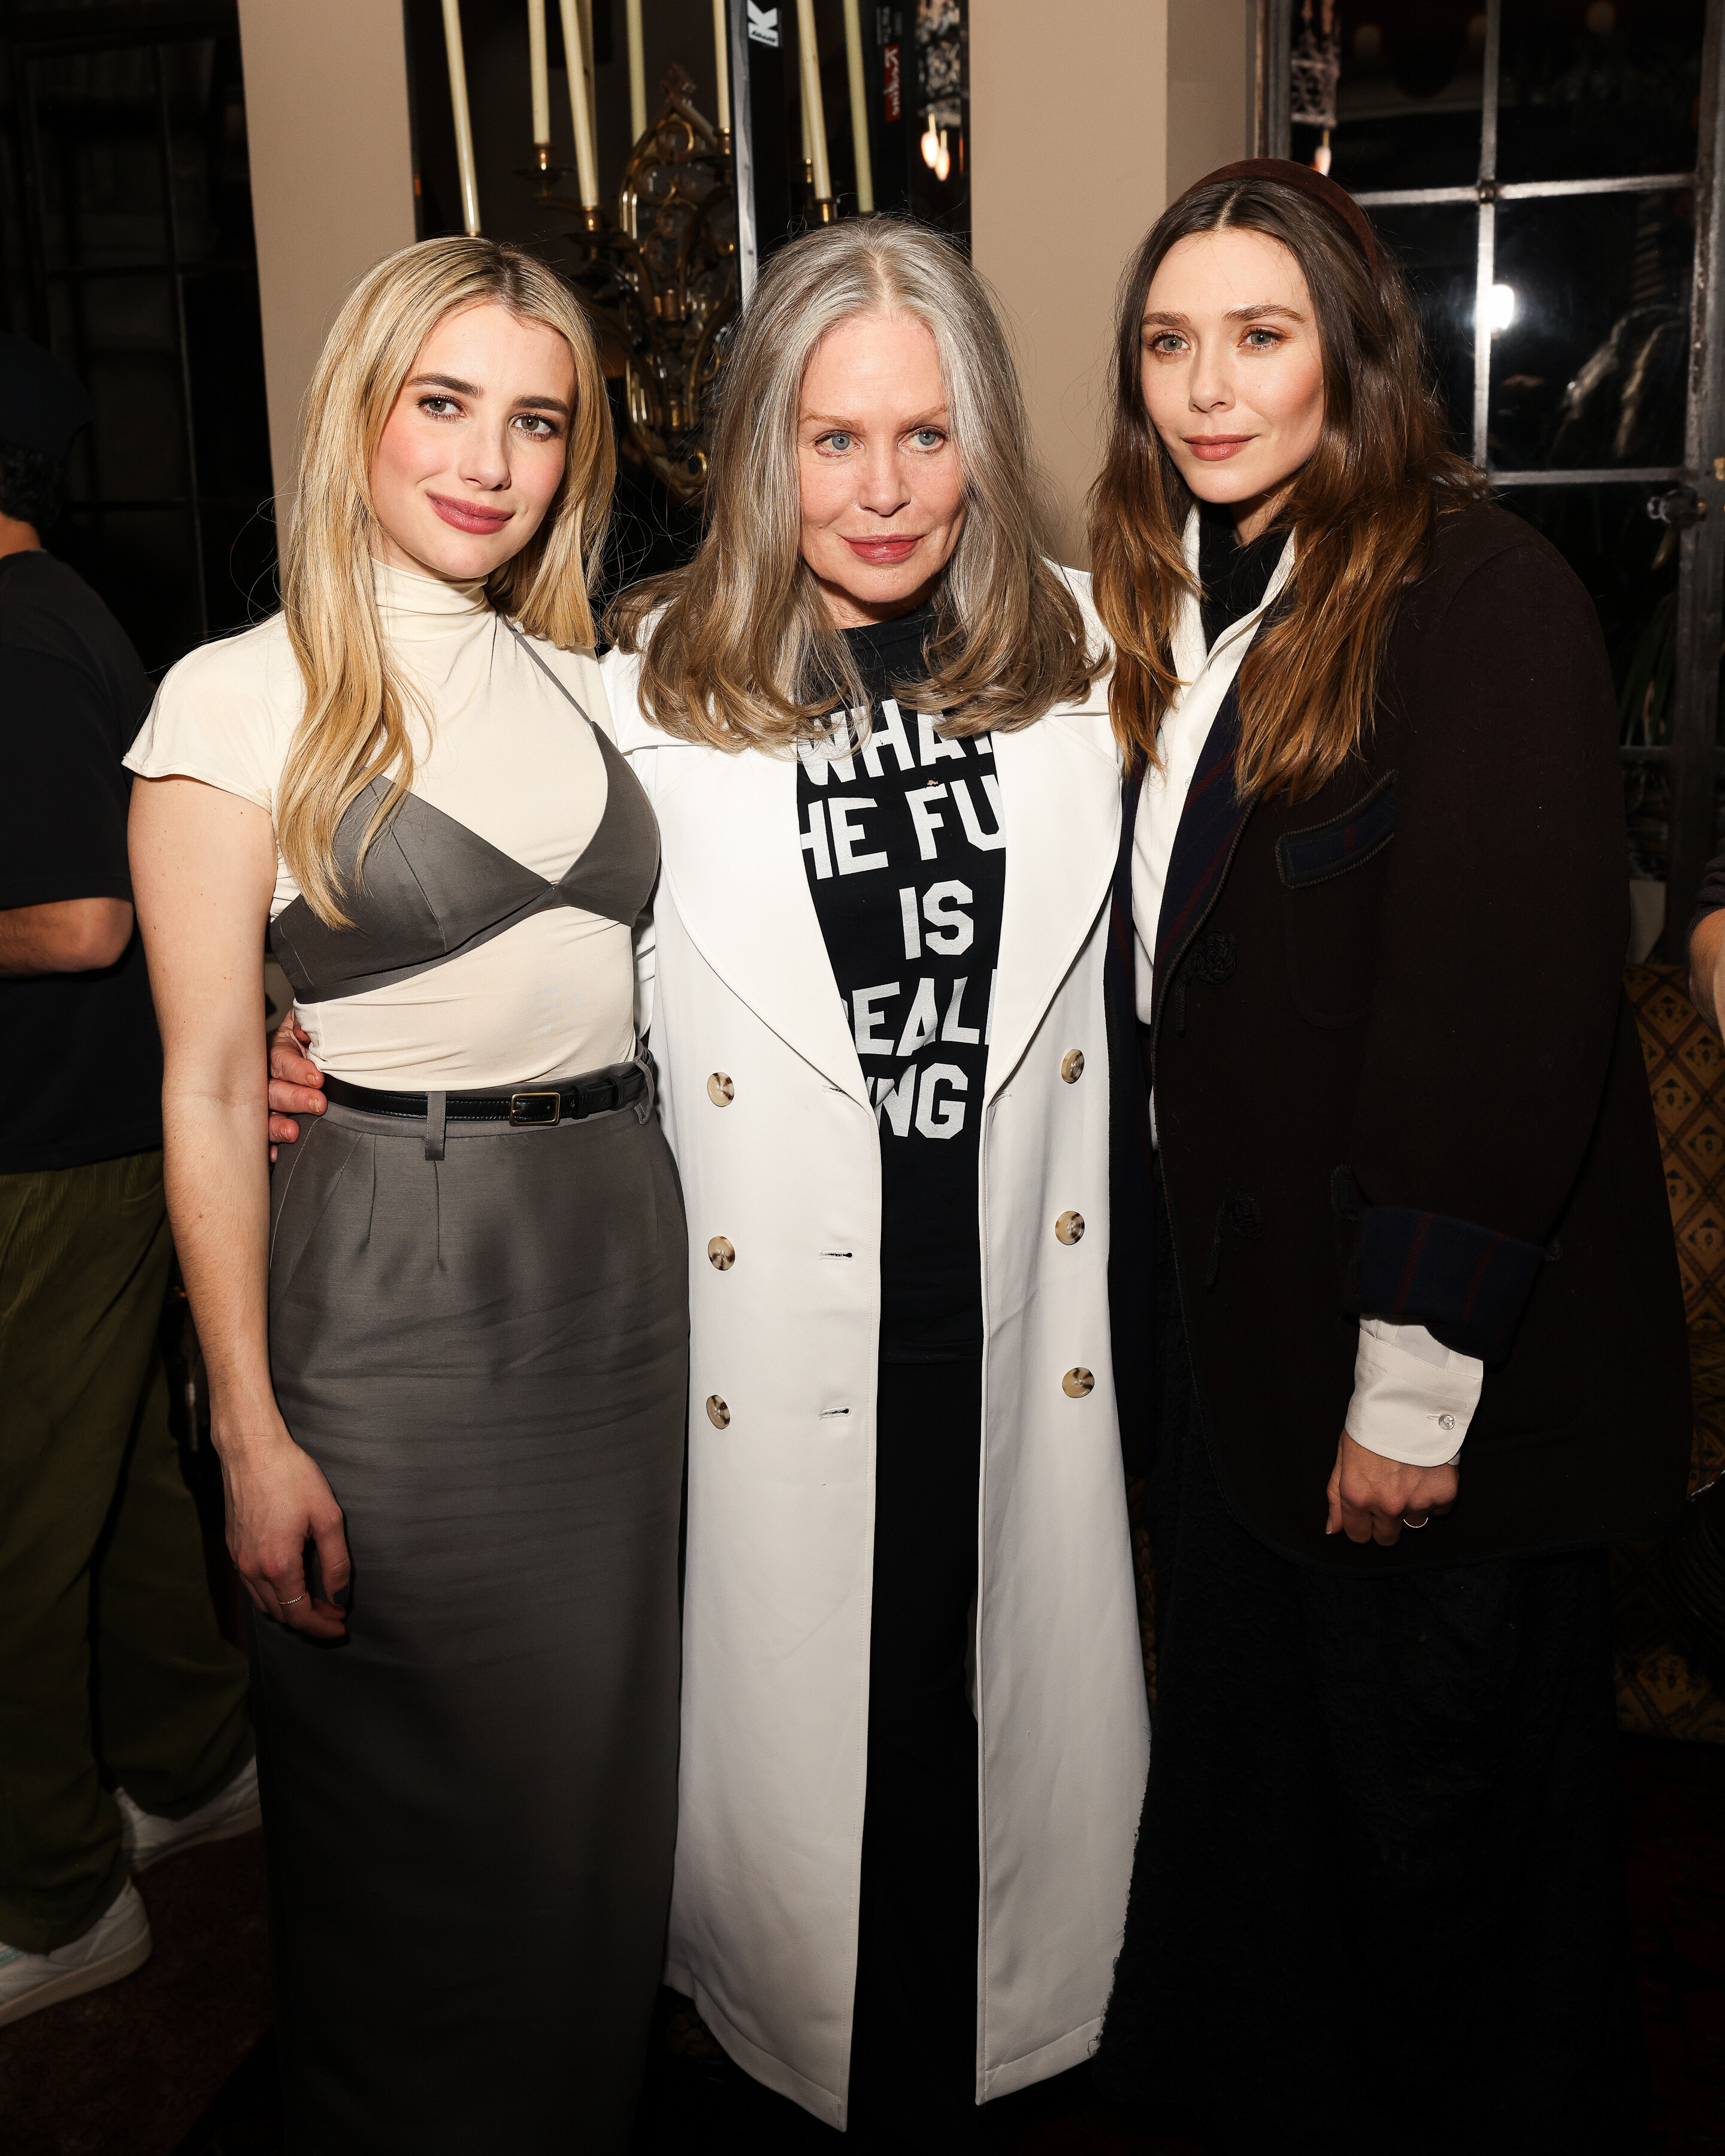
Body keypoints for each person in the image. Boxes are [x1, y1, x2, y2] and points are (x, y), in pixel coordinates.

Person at [269, 217, 1152, 2149]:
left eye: (926, 436)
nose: (882, 489)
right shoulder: (640, 693)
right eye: (832, 439)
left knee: (989, 1745)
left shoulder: (1101, 666)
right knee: (823, 1781)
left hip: (1021, 1316)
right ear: (764, 450)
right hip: (770, 1338)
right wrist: (296, 1025)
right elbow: (475, 913)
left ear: (985, 444)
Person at [1087, 161, 1691, 2154]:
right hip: (1251, 1360)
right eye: (1170, 342)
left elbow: (1501, 1018)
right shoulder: (1193, 601)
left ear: (1353, 356)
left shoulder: (1477, 594)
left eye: (1259, 337)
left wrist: (1412, 1387)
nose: (1208, 387)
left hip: (1416, 1390)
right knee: (1294, 1860)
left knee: (1446, 1887)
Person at [126, 238, 685, 2153]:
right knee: (402, 1806)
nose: (488, 461)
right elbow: (211, 1083)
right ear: (355, 411)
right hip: (392, 1280)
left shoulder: (598, 684)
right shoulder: (234, 699)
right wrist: (244, 1428)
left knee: (598, 1786)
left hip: (623, 1269)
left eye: (537, 420)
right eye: (442, 404)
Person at [0, 335, 255, 2030]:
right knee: (113, 1488)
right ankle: (198, 1762)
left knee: (14, 1527)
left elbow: (84, 921)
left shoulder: (19, 635)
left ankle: (54, 1895)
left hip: (51, 1145)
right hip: (74, 1137)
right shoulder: (53, 613)